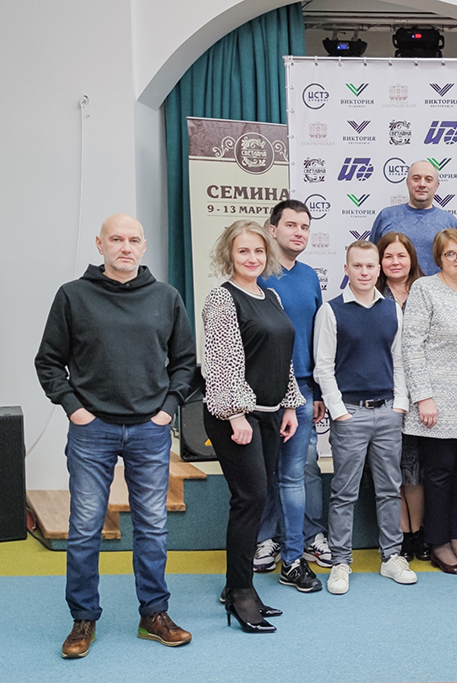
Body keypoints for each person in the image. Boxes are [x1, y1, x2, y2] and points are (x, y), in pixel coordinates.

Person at [36, 213, 196, 658]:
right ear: (100, 244)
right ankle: (82, 619)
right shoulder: (73, 296)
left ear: (143, 247)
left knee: (153, 527)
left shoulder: (166, 298)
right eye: (117, 239)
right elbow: (48, 361)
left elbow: (185, 363)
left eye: (133, 240)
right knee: (85, 528)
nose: (126, 247)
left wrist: (166, 411)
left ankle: (154, 615)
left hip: (150, 430)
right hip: (93, 431)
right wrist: (75, 410)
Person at [202, 220, 307, 633]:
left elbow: (283, 357)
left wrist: (289, 406)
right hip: (235, 417)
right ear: (229, 254)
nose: (252, 258)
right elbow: (221, 362)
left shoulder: (271, 296)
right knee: (250, 498)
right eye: (243, 251)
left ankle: (237, 585)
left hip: (270, 415)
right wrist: (236, 415)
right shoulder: (222, 299)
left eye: (259, 251)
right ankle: (240, 593)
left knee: (257, 500)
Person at [314, 240, 418, 595]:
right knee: (344, 492)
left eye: (370, 266)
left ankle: (392, 557)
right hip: (351, 415)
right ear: (346, 269)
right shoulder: (331, 311)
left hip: (388, 412)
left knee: (390, 488)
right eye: (357, 266)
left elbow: (399, 360)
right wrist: (339, 411)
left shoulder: (392, 309)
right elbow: (323, 367)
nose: (364, 272)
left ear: (379, 269)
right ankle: (340, 561)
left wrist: (400, 403)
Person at [252, 200, 332, 587]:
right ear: (273, 229)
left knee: (301, 469)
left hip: (302, 388)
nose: (299, 232)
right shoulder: (257, 274)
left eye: (305, 226)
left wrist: (317, 389)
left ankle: (303, 541)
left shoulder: (310, 277)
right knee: (265, 469)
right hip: (263, 391)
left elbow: (318, 337)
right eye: (291, 225)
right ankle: (266, 539)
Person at [402, 229, 457, 574]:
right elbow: (412, 345)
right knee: (438, 474)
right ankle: (438, 543)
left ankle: (456, 540)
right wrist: (423, 397)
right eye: (449, 253)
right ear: (439, 259)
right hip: (436, 401)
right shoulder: (424, 289)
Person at [376, 232, 430, 562]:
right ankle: (400, 535)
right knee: (389, 467)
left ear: (412, 259)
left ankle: (417, 534)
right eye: (388, 256)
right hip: (384, 391)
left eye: (401, 256)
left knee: (414, 468)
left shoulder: (426, 291)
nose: (395, 262)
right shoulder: (371, 294)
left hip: (421, 393)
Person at [369, 160, 457, 276]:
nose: (422, 184)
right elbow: (370, 258)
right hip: (390, 287)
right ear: (407, 182)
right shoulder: (386, 216)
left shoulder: (449, 222)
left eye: (428, 179)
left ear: (436, 185)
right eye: (416, 178)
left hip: (436, 288)